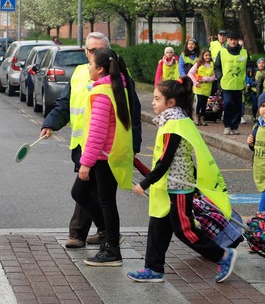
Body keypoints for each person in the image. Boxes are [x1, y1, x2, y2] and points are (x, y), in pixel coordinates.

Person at [128, 78, 237, 284]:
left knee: (185, 230)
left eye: (157, 99)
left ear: (170, 103)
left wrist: (144, 183)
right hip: (169, 186)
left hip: (177, 188)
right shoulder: (177, 120)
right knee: (158, 226)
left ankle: (223, 255)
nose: (153, 102)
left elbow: (165, 160)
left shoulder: (174, 126)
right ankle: (153, 269)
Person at [40, 32, 142, 248]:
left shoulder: (120, 78)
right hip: (83, 145)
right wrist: (50, 123)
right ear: (85, 51)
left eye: (98, 49)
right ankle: (104, 233)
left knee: (94, 193)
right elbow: (64, 105)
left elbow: (133, 113)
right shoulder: (79, 73)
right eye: (90, 49)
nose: (93, 53)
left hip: (105, 149)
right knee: (89, 193)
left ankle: (91, 236)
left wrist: (134, 145)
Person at [71, 47, 135, 267]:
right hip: (109, 154)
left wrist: (85, 163)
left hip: (103, 157)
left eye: (90, 64)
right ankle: (110, 237)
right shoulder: (115, 87)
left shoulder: (102, 93)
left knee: (101, 200)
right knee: (99, 199)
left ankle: (112, 248)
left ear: (99, 69)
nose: (88, 68)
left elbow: (97, 133)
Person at [214, 30, 248, 135]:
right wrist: (220, 76)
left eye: (235, 40)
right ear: (227, 40)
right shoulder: (222, 52)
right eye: (231, 40)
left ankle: (234, 126)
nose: (233, 42)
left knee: (237, 106)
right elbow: (217, 67)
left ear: (238, 41)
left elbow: (249, 64)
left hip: (238, 84)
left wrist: (251, 70)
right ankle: (227, 126)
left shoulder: (244, 52)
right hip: (226, 83)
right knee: (228, 104)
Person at [187, 49, 216, 126]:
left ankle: (202, 118)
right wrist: (195, 82)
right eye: (206, 55)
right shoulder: (198, 64)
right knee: (198, 103)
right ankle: (196, 117)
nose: (207, 57)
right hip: (199, 87)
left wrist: (207, 79)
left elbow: (213, 76)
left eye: (209, 55)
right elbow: (190, 73)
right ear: (202, 56)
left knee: (204, 103)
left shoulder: (211, 64)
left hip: (207, 87)